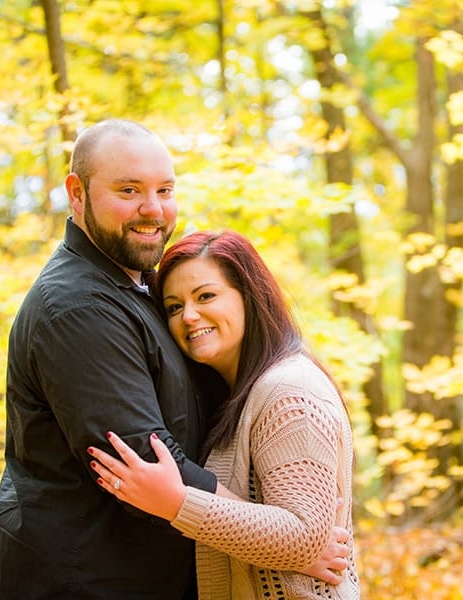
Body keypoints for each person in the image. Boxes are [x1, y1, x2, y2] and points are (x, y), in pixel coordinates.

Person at [0, 119, 345, 599]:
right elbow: (147, 464)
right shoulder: (80, 307)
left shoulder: (139, 288)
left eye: (165, 189)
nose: (151, 209)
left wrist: (289, 536)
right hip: (87, 582)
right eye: (129, 189)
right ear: (77, 193)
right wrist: (287, 542)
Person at [88, 230, 361, 599]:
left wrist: (176, 502)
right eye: (173, 306)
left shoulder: (289, 392)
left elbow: (305, 536)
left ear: (250, 295)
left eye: (206, 296)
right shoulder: (240, 395)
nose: (188, 315)